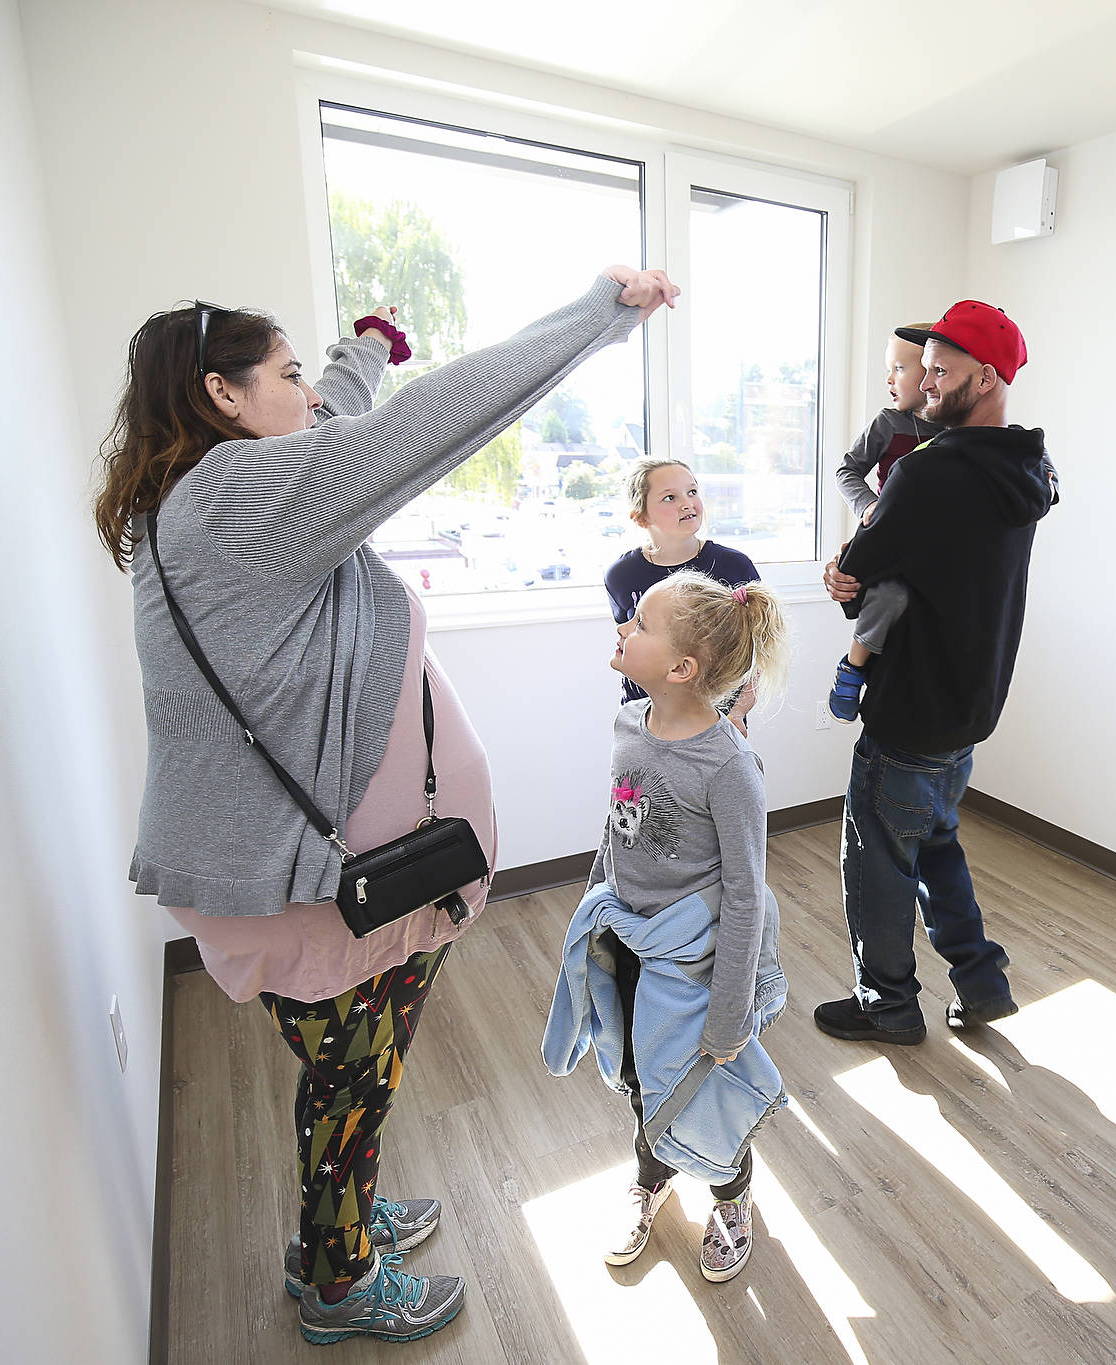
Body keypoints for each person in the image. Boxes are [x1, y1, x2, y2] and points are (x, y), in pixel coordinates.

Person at [97, 264, 678, 1345]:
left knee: (339, 1071)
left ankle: (345, 1214)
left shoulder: (202, 501)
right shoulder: (242, 497)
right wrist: (602, 314)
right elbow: (421, 427)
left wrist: (363, 344)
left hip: (268, 877)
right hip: (322, 893)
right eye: (284, 375)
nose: (308, 397)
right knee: (351, 1088)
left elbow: (344, 415)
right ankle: (336, 1276)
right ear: (224, 398)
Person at [812, 301, 1057, 1044]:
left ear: (984, 379)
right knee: (936, 842)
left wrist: (841, 571)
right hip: (970, 706)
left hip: (910, 707)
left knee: (880, 860)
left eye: (941, 372)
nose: (924, 385)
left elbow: (858, 571)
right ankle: (981, 984)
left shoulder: (924, 474)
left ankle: (886, 1003)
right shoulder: (1032, 468)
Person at [544, 571, 791, 1283]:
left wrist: (729, 1014)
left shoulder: (729, 765)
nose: (623, 626)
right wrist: (595, 906)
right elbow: (616, 826)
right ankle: (650, 1176)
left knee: (700, 1084)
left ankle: (730, 1194)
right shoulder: (629, 723)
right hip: (627, 941)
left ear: (682, 668)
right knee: (637, 1076)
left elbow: (745, 894)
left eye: (639, 623)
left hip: (693, 966)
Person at [825, 326, 940, 721]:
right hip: (888, 537)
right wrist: (867, 506)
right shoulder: (890, 423)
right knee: (890, 597)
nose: (890, 380)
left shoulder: (960, 433)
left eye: (899, 368)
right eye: (888, 369)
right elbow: (847, 469)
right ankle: (852, 669)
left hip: (931, 550)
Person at [603, 458, 761, 731]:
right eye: (669, 497)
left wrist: (737, 713)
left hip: (717, 721)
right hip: (646, 721)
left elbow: (759, 653)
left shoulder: (734, 566)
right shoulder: (621, 575)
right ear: (641, 517)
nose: (687, 503)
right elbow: (628, 645)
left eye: (692, 492)